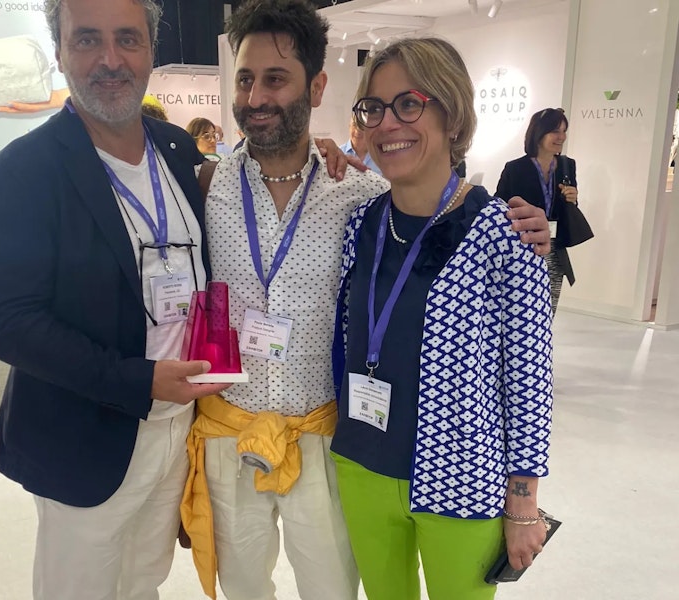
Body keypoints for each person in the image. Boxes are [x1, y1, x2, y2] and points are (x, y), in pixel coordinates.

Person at [179, 3, 552, 599]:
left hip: (343, 443)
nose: (256, 96)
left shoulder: (357, 195)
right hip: (255, 437)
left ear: (315, 87)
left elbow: (528, 376)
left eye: (276, 78)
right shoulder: (208, 185)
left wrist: (524, 500)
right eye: (245, 79)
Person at [0, 0, 233, 598]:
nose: (111, 59)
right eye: (88, 39)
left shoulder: (176, 149)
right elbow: (7, 321)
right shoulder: (23, 172)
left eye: (128, 39)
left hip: (176, 427)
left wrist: (320, 153)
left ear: (151, 51)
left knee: (143, 580)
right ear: (59, 51)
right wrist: (137, 380)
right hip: (84, 432)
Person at [330, 37, 554, 600]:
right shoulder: (359, 224)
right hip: (362, 460)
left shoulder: (506, 233)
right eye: (374, 108)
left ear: (451, 116)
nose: (388, 123)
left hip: (461, 477)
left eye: (409, 104)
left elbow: (528, 377)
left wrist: (523, 504)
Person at [496, 107, 578, 314]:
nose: (561, 137)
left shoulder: (567, 165)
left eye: (564, 131)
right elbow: (499, 207)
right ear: (539, 133)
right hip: (523, 246)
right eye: (555, 131)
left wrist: (573, 199)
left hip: (555, 248)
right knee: (521, 309)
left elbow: (570, 208)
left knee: (549, 309)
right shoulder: (515, 168)